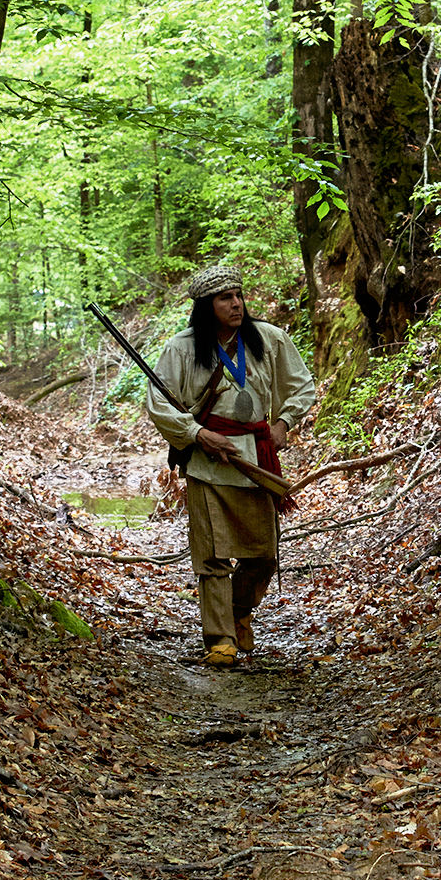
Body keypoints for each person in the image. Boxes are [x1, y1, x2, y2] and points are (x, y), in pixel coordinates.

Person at [147, 265, 316, 667]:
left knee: (264, 554)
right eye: (225, 298)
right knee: (213, 557)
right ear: (207, 307)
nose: (236, 304)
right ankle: (219, 637)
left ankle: (240, 609)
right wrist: (198, 435)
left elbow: (302, 385)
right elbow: (159, 404)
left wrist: (283, 422)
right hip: (207, 462)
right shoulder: (182, 348)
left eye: (238, 295)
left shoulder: (269, 339)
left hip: (257, 460)